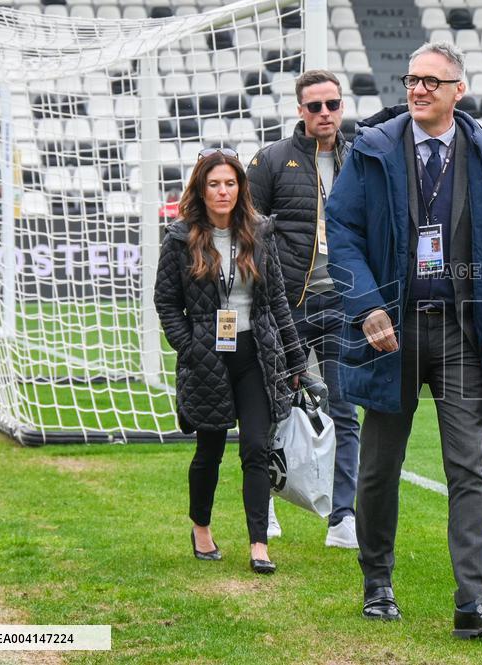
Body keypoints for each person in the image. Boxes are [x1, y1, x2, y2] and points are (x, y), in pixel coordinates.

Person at [325, 41, 482, 638]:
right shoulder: (372, 149)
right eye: (411, 80)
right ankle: (378, 583)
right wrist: (366, 305)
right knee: (380, 464)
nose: (417, 90)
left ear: (457, 91)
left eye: (431, 82)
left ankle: (474, 601)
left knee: (470, 464)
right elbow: (340, 229)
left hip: (465, 333)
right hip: (389, 330)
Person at [154, 147, 307, 575]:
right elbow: (166, 302)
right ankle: (201, 529)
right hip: (206, 358)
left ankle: (258, 544)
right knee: (210, 450)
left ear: (240, 187)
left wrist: (296, 361)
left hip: (255, 355)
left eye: (230, 183)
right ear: (201, 191)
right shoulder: (180, 238)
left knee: (257, 449)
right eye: (213, 184)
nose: (223, 191)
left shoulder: (260, 232)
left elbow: (276, 299)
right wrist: (190, 346)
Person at [248, 69, 361, 549]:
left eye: (332, 104)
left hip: (342, 303)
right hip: (288, 306)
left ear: (341, 106)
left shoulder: (360, 158)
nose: (324, 114)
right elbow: (248, 232)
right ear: (300, 109)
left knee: (346, 409)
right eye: (314, 106)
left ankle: (343, 516)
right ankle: (267, 500)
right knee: (273, 406)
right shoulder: (272, 160)